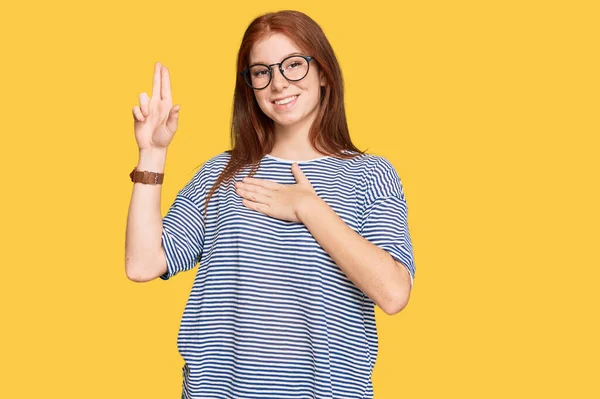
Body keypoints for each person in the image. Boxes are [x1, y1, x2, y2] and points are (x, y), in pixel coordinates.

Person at [125, 9, 415, 399]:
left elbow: (394, 293)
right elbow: (143, 264)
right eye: (262, 71)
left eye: (294, 65)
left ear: (323, 72)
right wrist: (152, 152)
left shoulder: (370, 175)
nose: (278, 83)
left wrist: (309, 209)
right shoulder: (221, 173)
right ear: (251, 85)